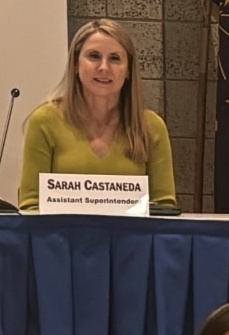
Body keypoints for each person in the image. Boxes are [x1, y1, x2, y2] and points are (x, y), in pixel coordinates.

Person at [16, 18, 178, 210]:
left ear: (128, 70)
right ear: (75, 64)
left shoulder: (151, 126)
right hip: (60, 240)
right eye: (94, 56)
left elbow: (165, 208)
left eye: (115, 58)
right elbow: (30, 206)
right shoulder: (45, 121)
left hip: (131, 240)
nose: (103, 67)